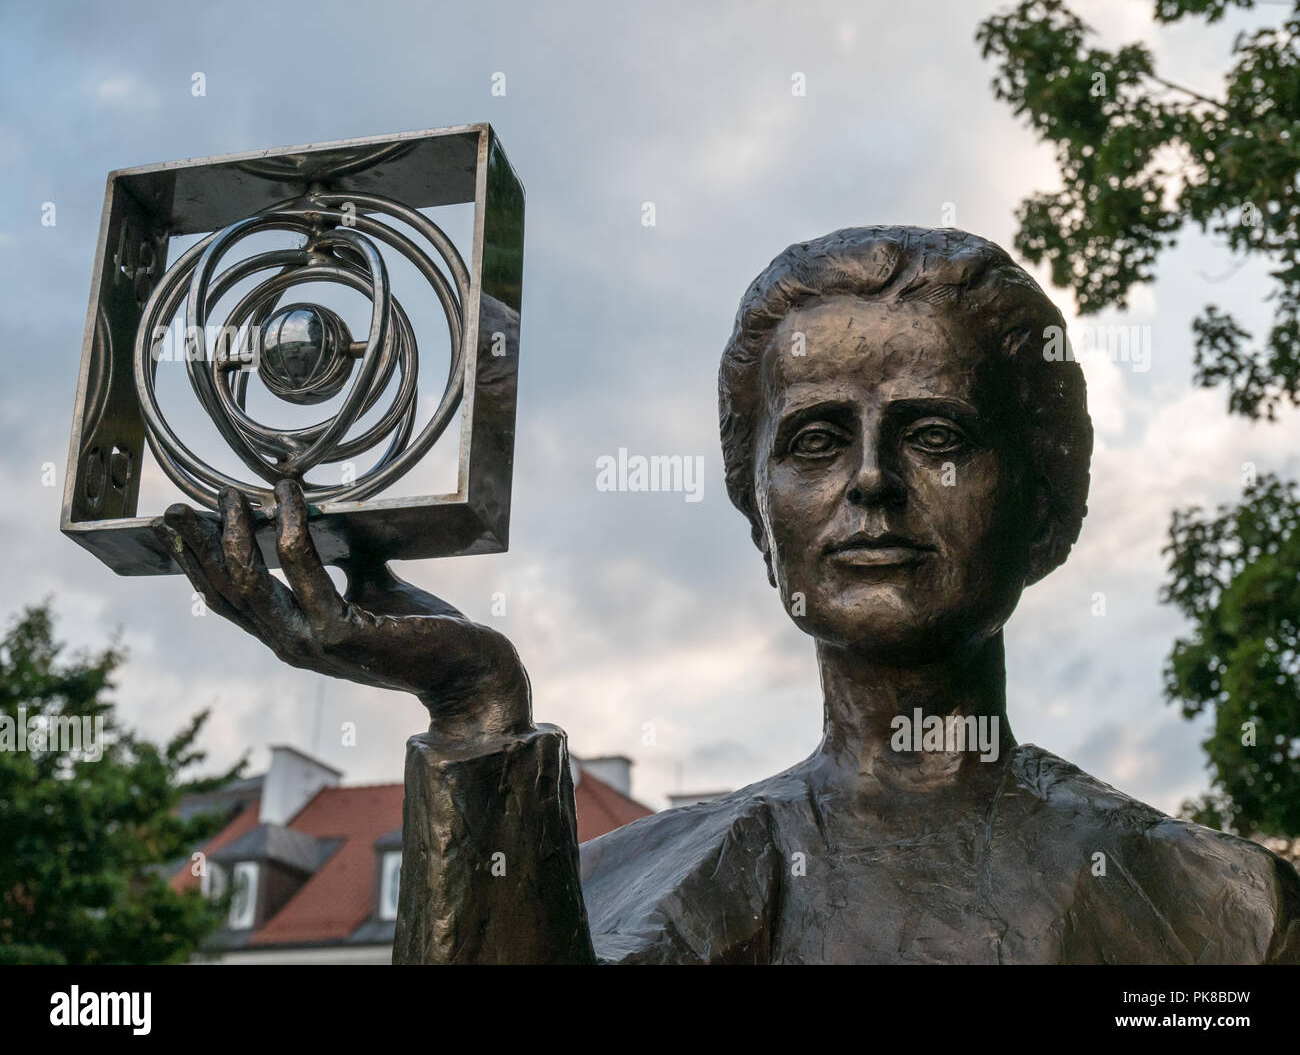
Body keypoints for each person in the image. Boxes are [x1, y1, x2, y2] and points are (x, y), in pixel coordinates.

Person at [156, 226, 1300, 964]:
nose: (867, 481)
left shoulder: (1228, 915)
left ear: (1045, 503)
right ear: (761, 522)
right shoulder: (610, 887)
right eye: (811, 441)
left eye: (935, 433)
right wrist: (474, 717)